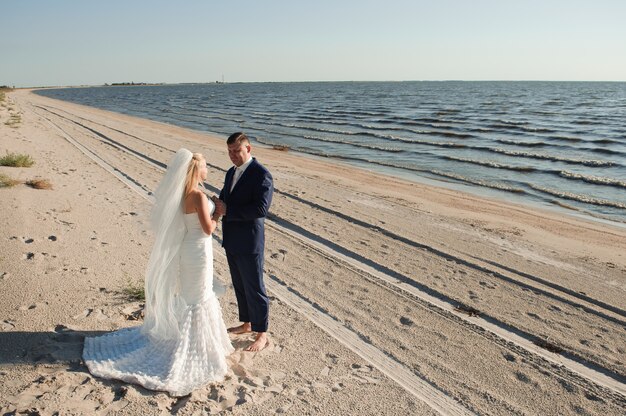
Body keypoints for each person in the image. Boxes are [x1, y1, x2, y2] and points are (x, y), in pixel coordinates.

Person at [83, 149, 233, 397]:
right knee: (199, 297)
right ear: (197, 170)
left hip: (189, 250)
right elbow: (208, 229)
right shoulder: (196, 195)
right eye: (206, 166)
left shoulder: (185, 194)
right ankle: (194, 348)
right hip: (198, 251)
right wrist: (219, 211)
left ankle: (193, 341)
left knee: (191, 296)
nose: (208, 170)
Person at [217, 132, 273, 352]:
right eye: (229, 151)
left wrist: (228, 210)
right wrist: (214, 204)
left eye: (236, 151)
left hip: (250, 241)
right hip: (231, 238)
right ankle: (247, 323)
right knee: (240, 284)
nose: (232, 155)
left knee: (255, 287)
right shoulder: (231, 172)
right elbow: (225, 198)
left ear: (248, 149)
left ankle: (262, 333)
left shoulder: (261, 175)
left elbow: (261, 209)